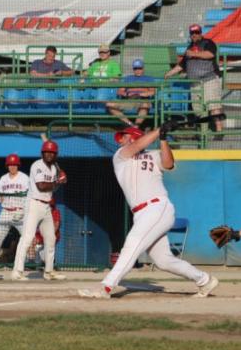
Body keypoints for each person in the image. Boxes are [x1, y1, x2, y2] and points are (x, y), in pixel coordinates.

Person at [78, 124, 219, 299]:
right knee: (164, 260)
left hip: (157, 207)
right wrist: (158, 131)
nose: (121, 139)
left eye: (125, 136)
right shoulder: (120, 157)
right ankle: (205, 280)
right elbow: (135, 147)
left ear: (135, 136)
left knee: (132, 243)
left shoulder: (153, 155)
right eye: (122, 136)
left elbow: (168, 163)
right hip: (142, 213)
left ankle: (105, 287)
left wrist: (163, 139)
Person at [11, 140, 67, 281]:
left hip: (47, 206)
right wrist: (58, 182)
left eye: (52, 152)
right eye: (46, 152)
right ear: (42, 153)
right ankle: (17, 272)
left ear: (55, 155)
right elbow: (42, 186)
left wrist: (61, 180)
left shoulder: (54, 168)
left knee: (51, 239)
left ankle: (49, 271)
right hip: (34, 204)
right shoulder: (37, 165)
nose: (49, 154)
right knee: (27, 238)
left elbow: (53, 188)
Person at [164, 24, 225, 137]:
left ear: (200, 32)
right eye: (192, 33)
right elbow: (182, 65)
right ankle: (203, 132)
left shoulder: (208, 43)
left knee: (213, 106)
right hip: (194, 83)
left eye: (197, 32)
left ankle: (219, 131)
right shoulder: (189, 48)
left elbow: (210, 54)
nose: (195, 35)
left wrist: (194, 54)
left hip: (209, 79)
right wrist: (169, 73)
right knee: (198, 109)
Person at [0, 153, 30, 266]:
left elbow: (30, 196)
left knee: (28, 237)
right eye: (10, 165)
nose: (12, 167)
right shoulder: (3, 179)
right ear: (7, 166)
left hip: (20, 212)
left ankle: (30, 262)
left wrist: (24, 211)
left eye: (14, 164)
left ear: (18, 165)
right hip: (6, 212)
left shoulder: (25, 178)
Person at [106, 59, 156, 128]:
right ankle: (130, 124)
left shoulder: (148, 79)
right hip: (129, 100)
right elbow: (120, 91)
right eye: (136, 69)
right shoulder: (128, 78)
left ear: (143, 68)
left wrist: (140, 94)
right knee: (109, 104)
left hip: (142, 100)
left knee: (145, 105)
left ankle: (136, 127)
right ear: (133, 69)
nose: (138, 70)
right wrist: (126, 94)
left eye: (140, 68)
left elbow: (152, 92)